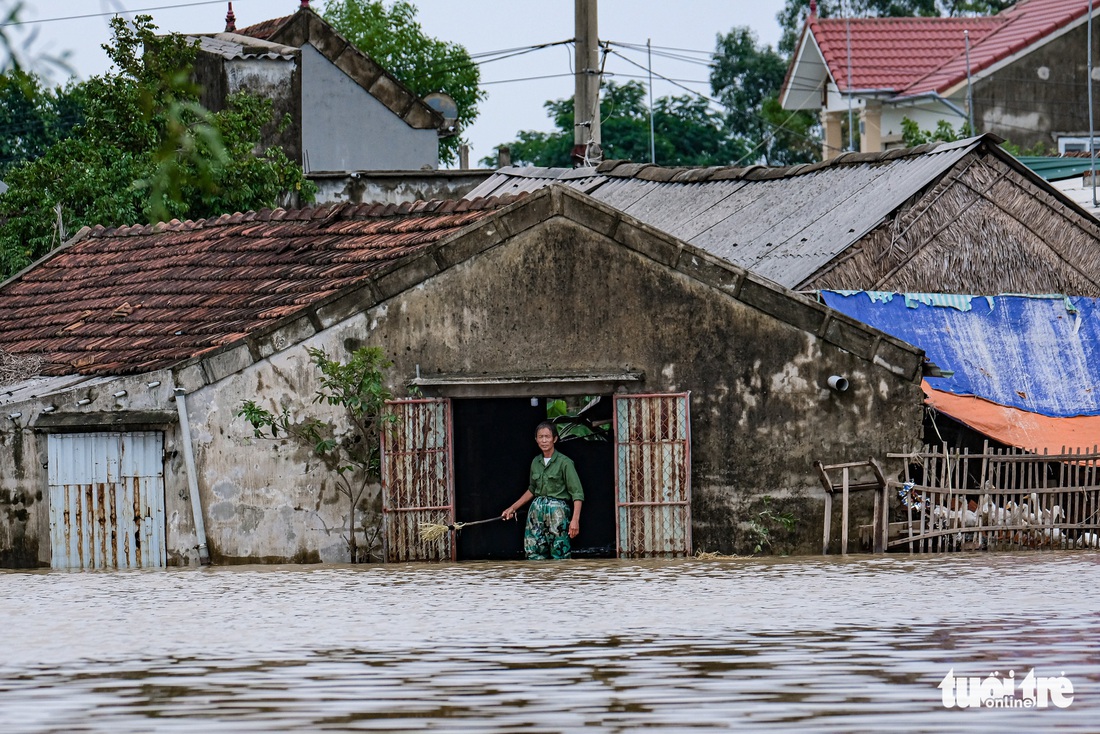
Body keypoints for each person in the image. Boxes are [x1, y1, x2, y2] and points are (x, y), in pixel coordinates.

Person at [502, 421, 584, 560]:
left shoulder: (565, 462)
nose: (544, 440)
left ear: (555, 439)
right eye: (541, 437)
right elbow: (532, 489)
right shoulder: (535, 462)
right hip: (536, 514)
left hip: (557, 514)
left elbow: (577, 494)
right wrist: (512, 508)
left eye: (547, 436)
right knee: (533, 552)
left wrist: (575, 520)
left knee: (560, 553)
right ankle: (539, 581)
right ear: (536, 440)